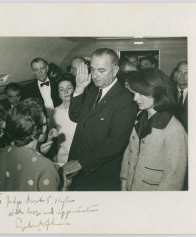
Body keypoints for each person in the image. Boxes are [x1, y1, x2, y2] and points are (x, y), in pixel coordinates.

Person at [65, 48, 138, 191]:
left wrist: (81, 163)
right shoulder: (92, 90)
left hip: (100, 173)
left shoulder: (125, 99)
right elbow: (75, 116)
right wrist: (79, 88)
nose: (95, 76)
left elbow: (115, 143)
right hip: (79, 169)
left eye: (101, 70)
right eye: (92, 70)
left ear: (115, 70)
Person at [120, 69, 188, 191]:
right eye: (134, 93)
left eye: (141, 93)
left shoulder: (174, 129)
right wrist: (124, 180)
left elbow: (174, 178)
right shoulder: (140, 117)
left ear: (157, 92)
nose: (135, 98)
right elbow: (129, 153)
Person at [0, 98, 60, 191]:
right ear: (37, 131)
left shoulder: (1, 156)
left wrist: (39, 152)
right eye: (45, 123)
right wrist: (64, 183)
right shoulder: (46, 167)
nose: (47, 125)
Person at [53, 74, 77, 164]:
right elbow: (53, 139)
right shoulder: (55, 112)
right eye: (61, 90)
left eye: (69, 88)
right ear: (59, 94)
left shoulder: (83, 110)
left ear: (74, 90)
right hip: (63, 157)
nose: (66, 92)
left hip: (81, 156)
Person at [172, 60, 188, 132]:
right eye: (179, 72)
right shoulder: (168, 92)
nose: (182, 76)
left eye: (186, 73)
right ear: (175, 73)